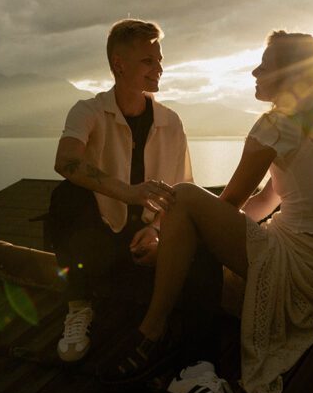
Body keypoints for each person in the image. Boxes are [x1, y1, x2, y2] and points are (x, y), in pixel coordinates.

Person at [102, 30, 313, 393]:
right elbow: (264, 202)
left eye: (265, 64)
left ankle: (151, 330)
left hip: (288, 262)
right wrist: (182, 238)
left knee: (186, 195)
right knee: (192, 233)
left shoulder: (277, 123)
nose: (255, 71)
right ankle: (188, 355)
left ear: (291, 74)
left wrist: (166, 235)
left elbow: (229, 203)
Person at [48, 18, 221, 366]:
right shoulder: (88, 111)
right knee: (64, 196)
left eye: (159, 60)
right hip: (101, 242)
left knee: (205, 250)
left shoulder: (171, 121)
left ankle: (199, 364)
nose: (159, 68)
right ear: (119, 64)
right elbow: (65, 161)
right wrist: (129, 194)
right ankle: (79, 306)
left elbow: (181, 190)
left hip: (149, 243)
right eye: (148, 61)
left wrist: (156, 230)